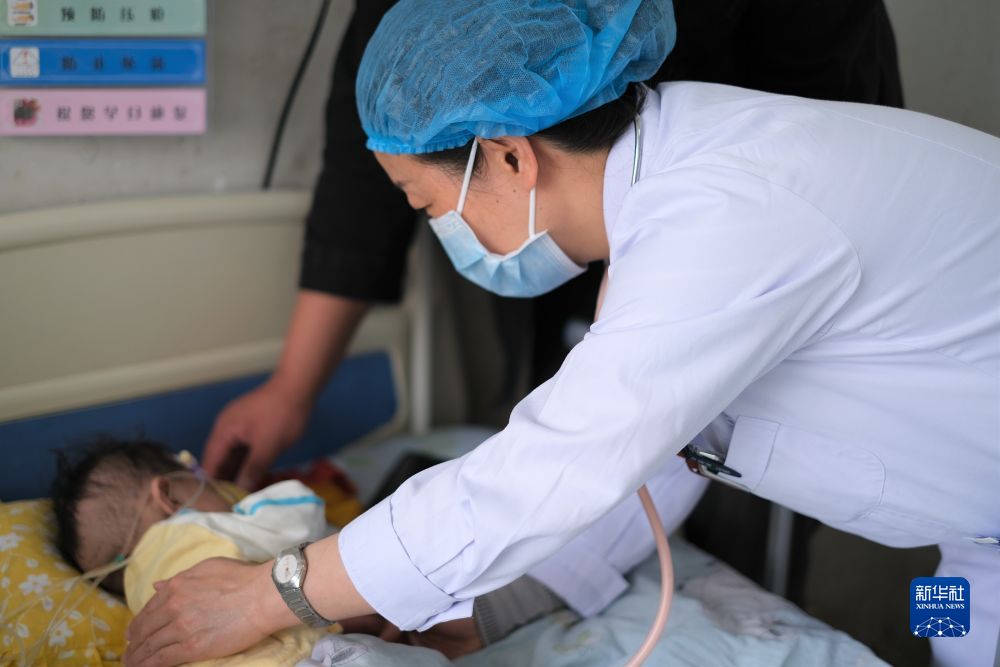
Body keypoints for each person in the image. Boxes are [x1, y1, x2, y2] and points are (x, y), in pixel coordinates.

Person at [124, 2, 1000, 667]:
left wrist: (274, 594)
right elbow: (657, 447)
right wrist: (500, 603)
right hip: (968, 542)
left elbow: (551, 465)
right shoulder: (661, 210)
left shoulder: (727, 212)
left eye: (427, 205)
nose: (444, 232)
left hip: (979, 520)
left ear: (510, 155)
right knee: (953, 630)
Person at [52, 439, 341, 664]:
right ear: (169, 496)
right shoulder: (199, 527)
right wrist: (249, 506)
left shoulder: (138, 597)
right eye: (197, 475)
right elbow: (302, 511)